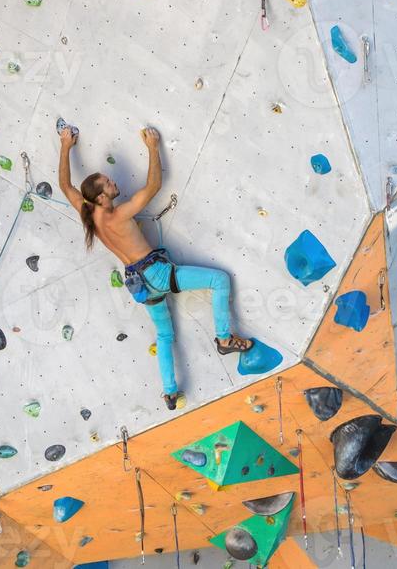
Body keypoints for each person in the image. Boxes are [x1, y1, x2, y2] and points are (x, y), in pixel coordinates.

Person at [58, 124, 253, 409]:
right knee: (219, 280)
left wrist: (65, 145)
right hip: (157, 273)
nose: (113, 184)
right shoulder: (120, 215)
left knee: (164, 334)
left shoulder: (88, 213)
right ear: (101, 196)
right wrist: (152, 146)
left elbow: (65, 186)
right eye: (109, 184)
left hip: (138, 283)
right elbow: (153, 187)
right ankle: (224, 339)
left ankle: (170, 392)